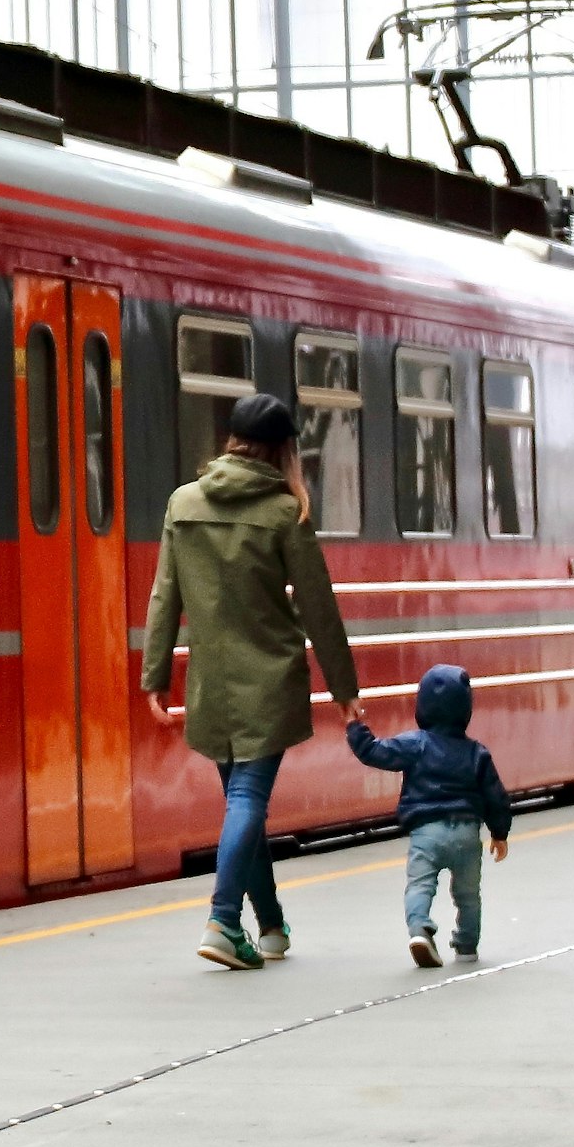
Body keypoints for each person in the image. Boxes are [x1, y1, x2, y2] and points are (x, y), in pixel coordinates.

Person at [140, 390, 362, 970]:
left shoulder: (182, 504)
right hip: (268, 681)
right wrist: (345, 690)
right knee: (247, 800)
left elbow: (166, 594)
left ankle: (268, 926)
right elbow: (318, 606)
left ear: (231, 442)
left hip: (210, 684)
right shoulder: (285, 511)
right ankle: (221, 919)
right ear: (284, 451)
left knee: (245, 803)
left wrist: (155, 676)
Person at [343, 663, 512, 965]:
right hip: (466, 833)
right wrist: (500, 833)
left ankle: (420, 927)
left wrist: (356, 728)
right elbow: (495, 796)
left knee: (420, 885)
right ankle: (467, 946)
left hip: (427, 833)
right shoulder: (477, 753)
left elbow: (374, 752)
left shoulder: (415, 744)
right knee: (468, 895)